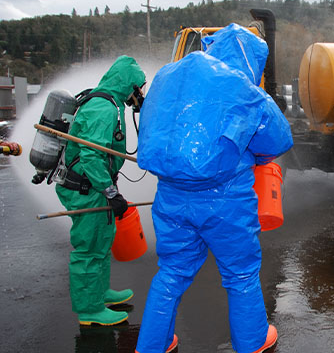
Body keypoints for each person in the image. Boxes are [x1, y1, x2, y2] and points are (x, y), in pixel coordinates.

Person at [135, 23, 293, 353]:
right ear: (251, 58)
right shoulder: (243, 89)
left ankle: (152, 345)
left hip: (170, 197)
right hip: (225, 201)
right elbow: (278, 140)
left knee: (172, 271)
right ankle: (252, 342)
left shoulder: (166, 77)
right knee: (240, 274)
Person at [54, 55, 146, 326]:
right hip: (86, 188)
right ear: (128, 83)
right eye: (138, 87)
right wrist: (109, 191)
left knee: (102, 241)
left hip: (93, 186)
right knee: (89, 247)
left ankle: (99, 292)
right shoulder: (103, 108)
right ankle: (89, 309)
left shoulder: (110, 103)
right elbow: (92, 156)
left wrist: (109, 189)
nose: (138, 93)